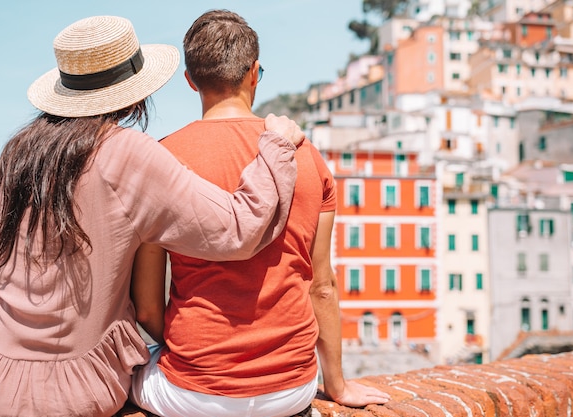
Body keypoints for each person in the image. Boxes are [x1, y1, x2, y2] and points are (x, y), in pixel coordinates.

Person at [0, 15, 306, 417]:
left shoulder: (20, 152)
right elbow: (237, 230)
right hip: (65, 392)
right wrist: (276, 147)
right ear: (135, 90)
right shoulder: (126, 152)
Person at [129, 9, 391, 417]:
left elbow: (145, 307)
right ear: (254, 73)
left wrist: (195, 355)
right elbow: (321, 285)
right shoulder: (307, 157)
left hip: (195, 394)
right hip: (291, 390)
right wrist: (335, 385)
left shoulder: (160, 161)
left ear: (191, 80)